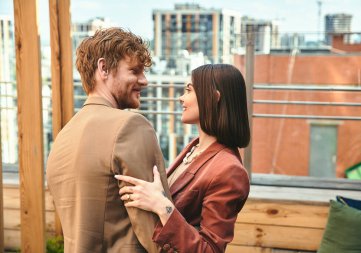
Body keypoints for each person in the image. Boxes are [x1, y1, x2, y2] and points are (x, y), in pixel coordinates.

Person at [46, 27, 171, 253]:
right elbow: (159, 236)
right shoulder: (131, 127)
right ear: (103, 68)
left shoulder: (63, 137)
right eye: (134, 71)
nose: (144, 81)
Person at [115, 64, 251, 253]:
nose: (181, 98)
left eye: (189, 90)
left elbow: (210, 250)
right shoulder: (194, 148)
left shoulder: (229, 170)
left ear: (214, 97)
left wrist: (162, 206)